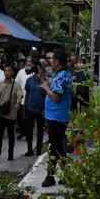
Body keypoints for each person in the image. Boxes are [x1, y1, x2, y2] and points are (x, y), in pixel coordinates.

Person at [42, 51, 73, 187]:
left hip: (57, 117)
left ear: (57, 61)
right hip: (56, 116)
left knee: (55, 147)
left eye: (52, 59)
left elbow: (56, 97)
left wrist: (46, 88)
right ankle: (61, 175)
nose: (50, 62)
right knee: (57, 146)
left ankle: (52, 176)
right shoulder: (62, 74)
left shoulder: (61, 76)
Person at [0, 64, 23, 162]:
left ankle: (10, 154)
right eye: (5, 71)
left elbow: (20, 95)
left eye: (9, 71)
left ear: (12, 73)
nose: (7, 73)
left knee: (11, 136)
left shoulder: (16, 85)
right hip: (1, 113)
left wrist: (18, 104)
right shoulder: (0, 84)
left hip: (11, 114)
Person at [23, 62, 46, 157]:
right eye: (38, 70)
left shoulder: (44, 81)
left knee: (40, 132)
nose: (40, 72)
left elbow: (47, 96)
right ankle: (29, 150)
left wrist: (45, 110)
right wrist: (24, 107)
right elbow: (27, 94)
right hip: (30, 109)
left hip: (41, 110)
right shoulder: (29, 80)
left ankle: (39, 150)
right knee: (29, 131)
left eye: (41, 70)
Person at [14, 59, 32, 141]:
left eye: (30, 62)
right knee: (20, 117)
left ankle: (28, 134)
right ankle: (22, 132)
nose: (29, 63)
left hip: (30, 99)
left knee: (28, 118)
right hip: (21, 98)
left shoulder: (34, 73)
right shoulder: (20, 72)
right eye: (28, 62)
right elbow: (16, 83)